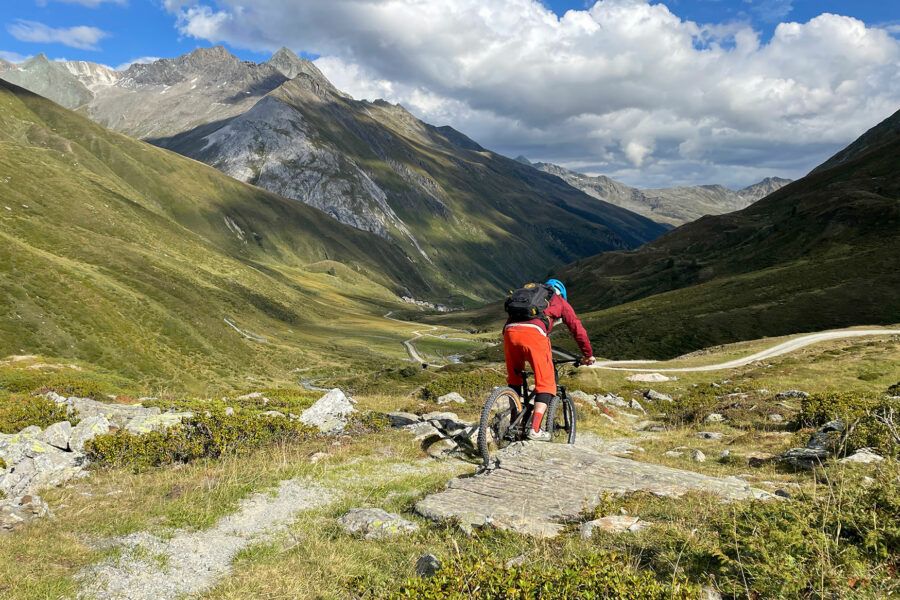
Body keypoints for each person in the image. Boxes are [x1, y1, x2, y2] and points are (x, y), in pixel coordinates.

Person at [503, 279, 595, 441]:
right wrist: (587, 354)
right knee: (546, 383)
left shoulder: (529, 296)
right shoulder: (559, 300)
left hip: (509, 333)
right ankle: (535, 429)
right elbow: (576, 328)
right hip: (534, 335)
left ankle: (515, 422)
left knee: (515, 379)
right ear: (562, 294)